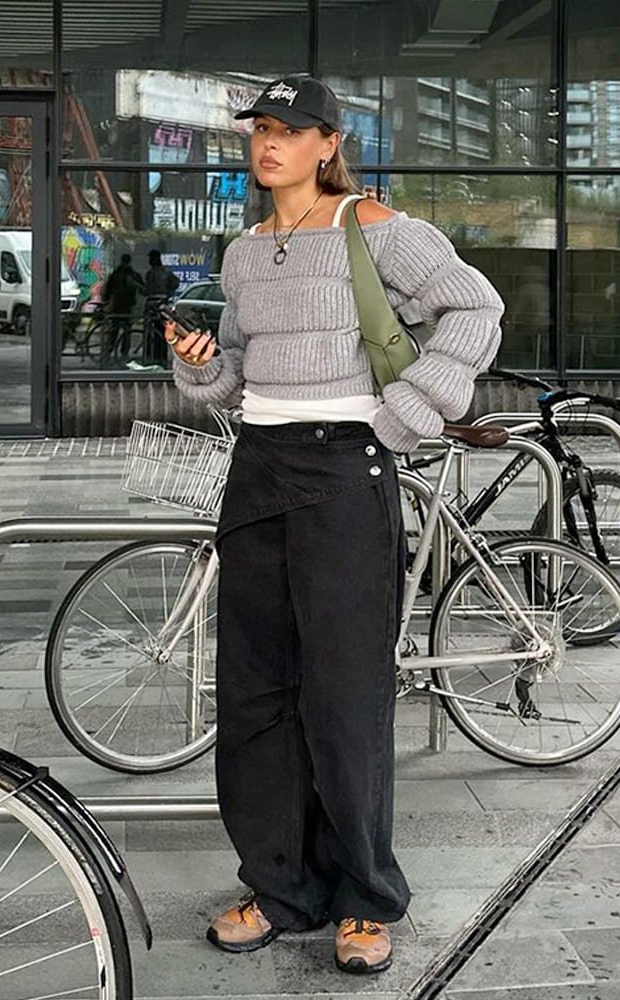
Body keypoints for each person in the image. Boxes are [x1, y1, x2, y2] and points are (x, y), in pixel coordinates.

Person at [166, 74, 504, 975]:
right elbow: (234, 375)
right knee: (254, 693)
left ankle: (364, 897)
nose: (269, 143)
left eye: (288, 129)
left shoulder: (377, 227)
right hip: (258, 468)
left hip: (346, 470)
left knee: (345, 695)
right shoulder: (244, 252)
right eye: (259, 130)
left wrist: (409, 411)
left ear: (328, 144)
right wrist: (197, 364)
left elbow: (476, 308)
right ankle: (280, 888)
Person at [103, 253, 144, 364]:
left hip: (117, 306)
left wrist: (105, 301)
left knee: (114, 331)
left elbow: (108, 290)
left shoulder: (116, 274)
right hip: (127, 305)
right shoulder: (133, 274)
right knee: (126, 331)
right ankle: (123, 354)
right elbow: (142, 289)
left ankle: (108, 352)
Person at [143, 249, 180, 365]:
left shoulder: (153, 273)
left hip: (154, 304)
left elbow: (147, 289)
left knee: (153, 331)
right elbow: (175, 283)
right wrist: (168, 293)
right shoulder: (163, 272)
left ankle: (152, 356)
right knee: (159, 330)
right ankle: (159, 356)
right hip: (161, 303)